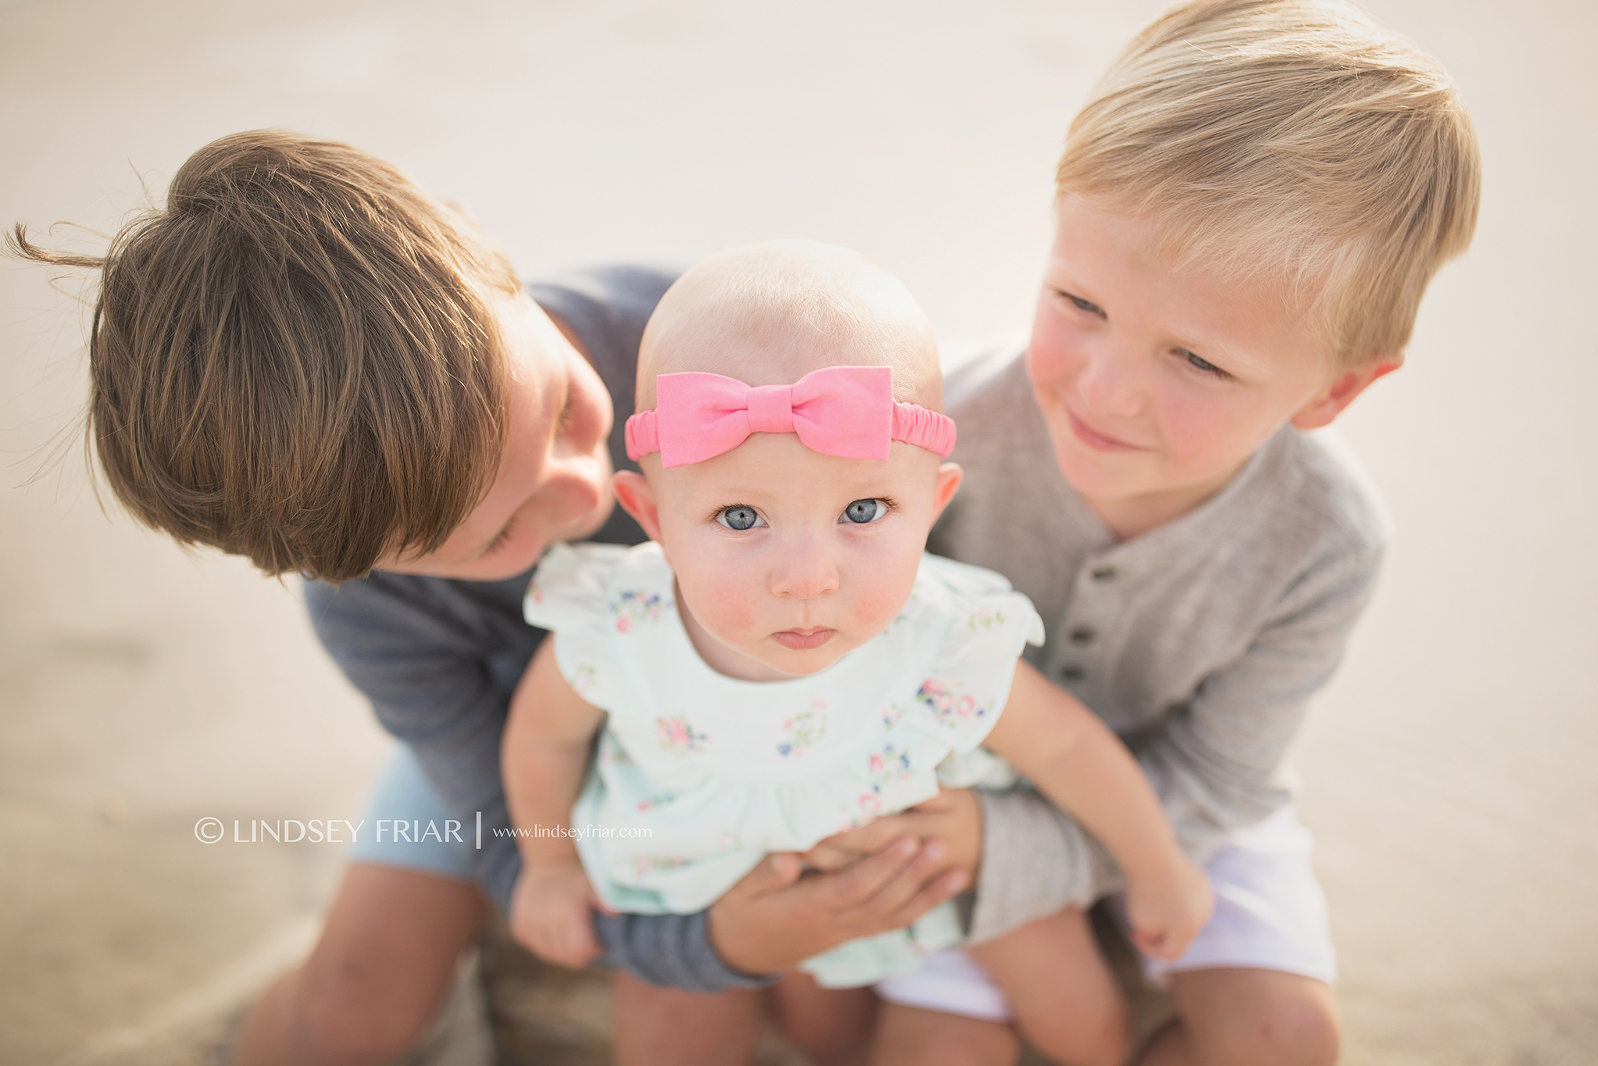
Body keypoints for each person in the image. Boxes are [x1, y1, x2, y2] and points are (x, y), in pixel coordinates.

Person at [9, 133, 974, 1066]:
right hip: (522, 731)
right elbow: (523, 856)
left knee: (837, 1010)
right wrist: (715, 945)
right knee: (351, 1008)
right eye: (494, 538)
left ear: (484, 250)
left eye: (564, 410)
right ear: (361, 566)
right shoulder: (376, 618)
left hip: (783, 708)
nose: (589, 491)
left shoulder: (699, 344)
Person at [814, 2, 1481, 1063]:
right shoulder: (938, 429)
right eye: (1078, 301)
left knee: (1283, 1038)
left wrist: (1030, 846)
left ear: (1335, 390)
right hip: (943, 788)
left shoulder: (1325, 541)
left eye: (1199, 361)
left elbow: (1218, 780)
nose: (1107, 390)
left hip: (1180, 812)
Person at [502, 241, 1213, 1066]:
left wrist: (1158, 869)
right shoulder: (620, 628)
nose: (807, 579)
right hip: (707, 869)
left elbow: (1064, 744)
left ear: (933, 503)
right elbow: (542, 736)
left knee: (1065, 991)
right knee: (775, 1027)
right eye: (740, 518)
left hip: (920, 857)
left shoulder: (937, 638)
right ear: (653, 518)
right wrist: (549, 866)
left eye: (865, 509)